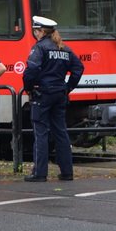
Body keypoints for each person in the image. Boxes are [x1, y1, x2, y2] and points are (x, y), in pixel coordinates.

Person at [23, 16, 85, 182]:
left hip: (42, 94)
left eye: (36, 31)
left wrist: (29, 87)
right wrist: (68, 87)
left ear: (42, 31)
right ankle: (67, 172)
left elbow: (31, 70)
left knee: (41, 132)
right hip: (59, 94)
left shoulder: (40, 48)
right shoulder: (65, 48)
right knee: (61, 132)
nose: (35, 34)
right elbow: (79, 68)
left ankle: (39, 173)